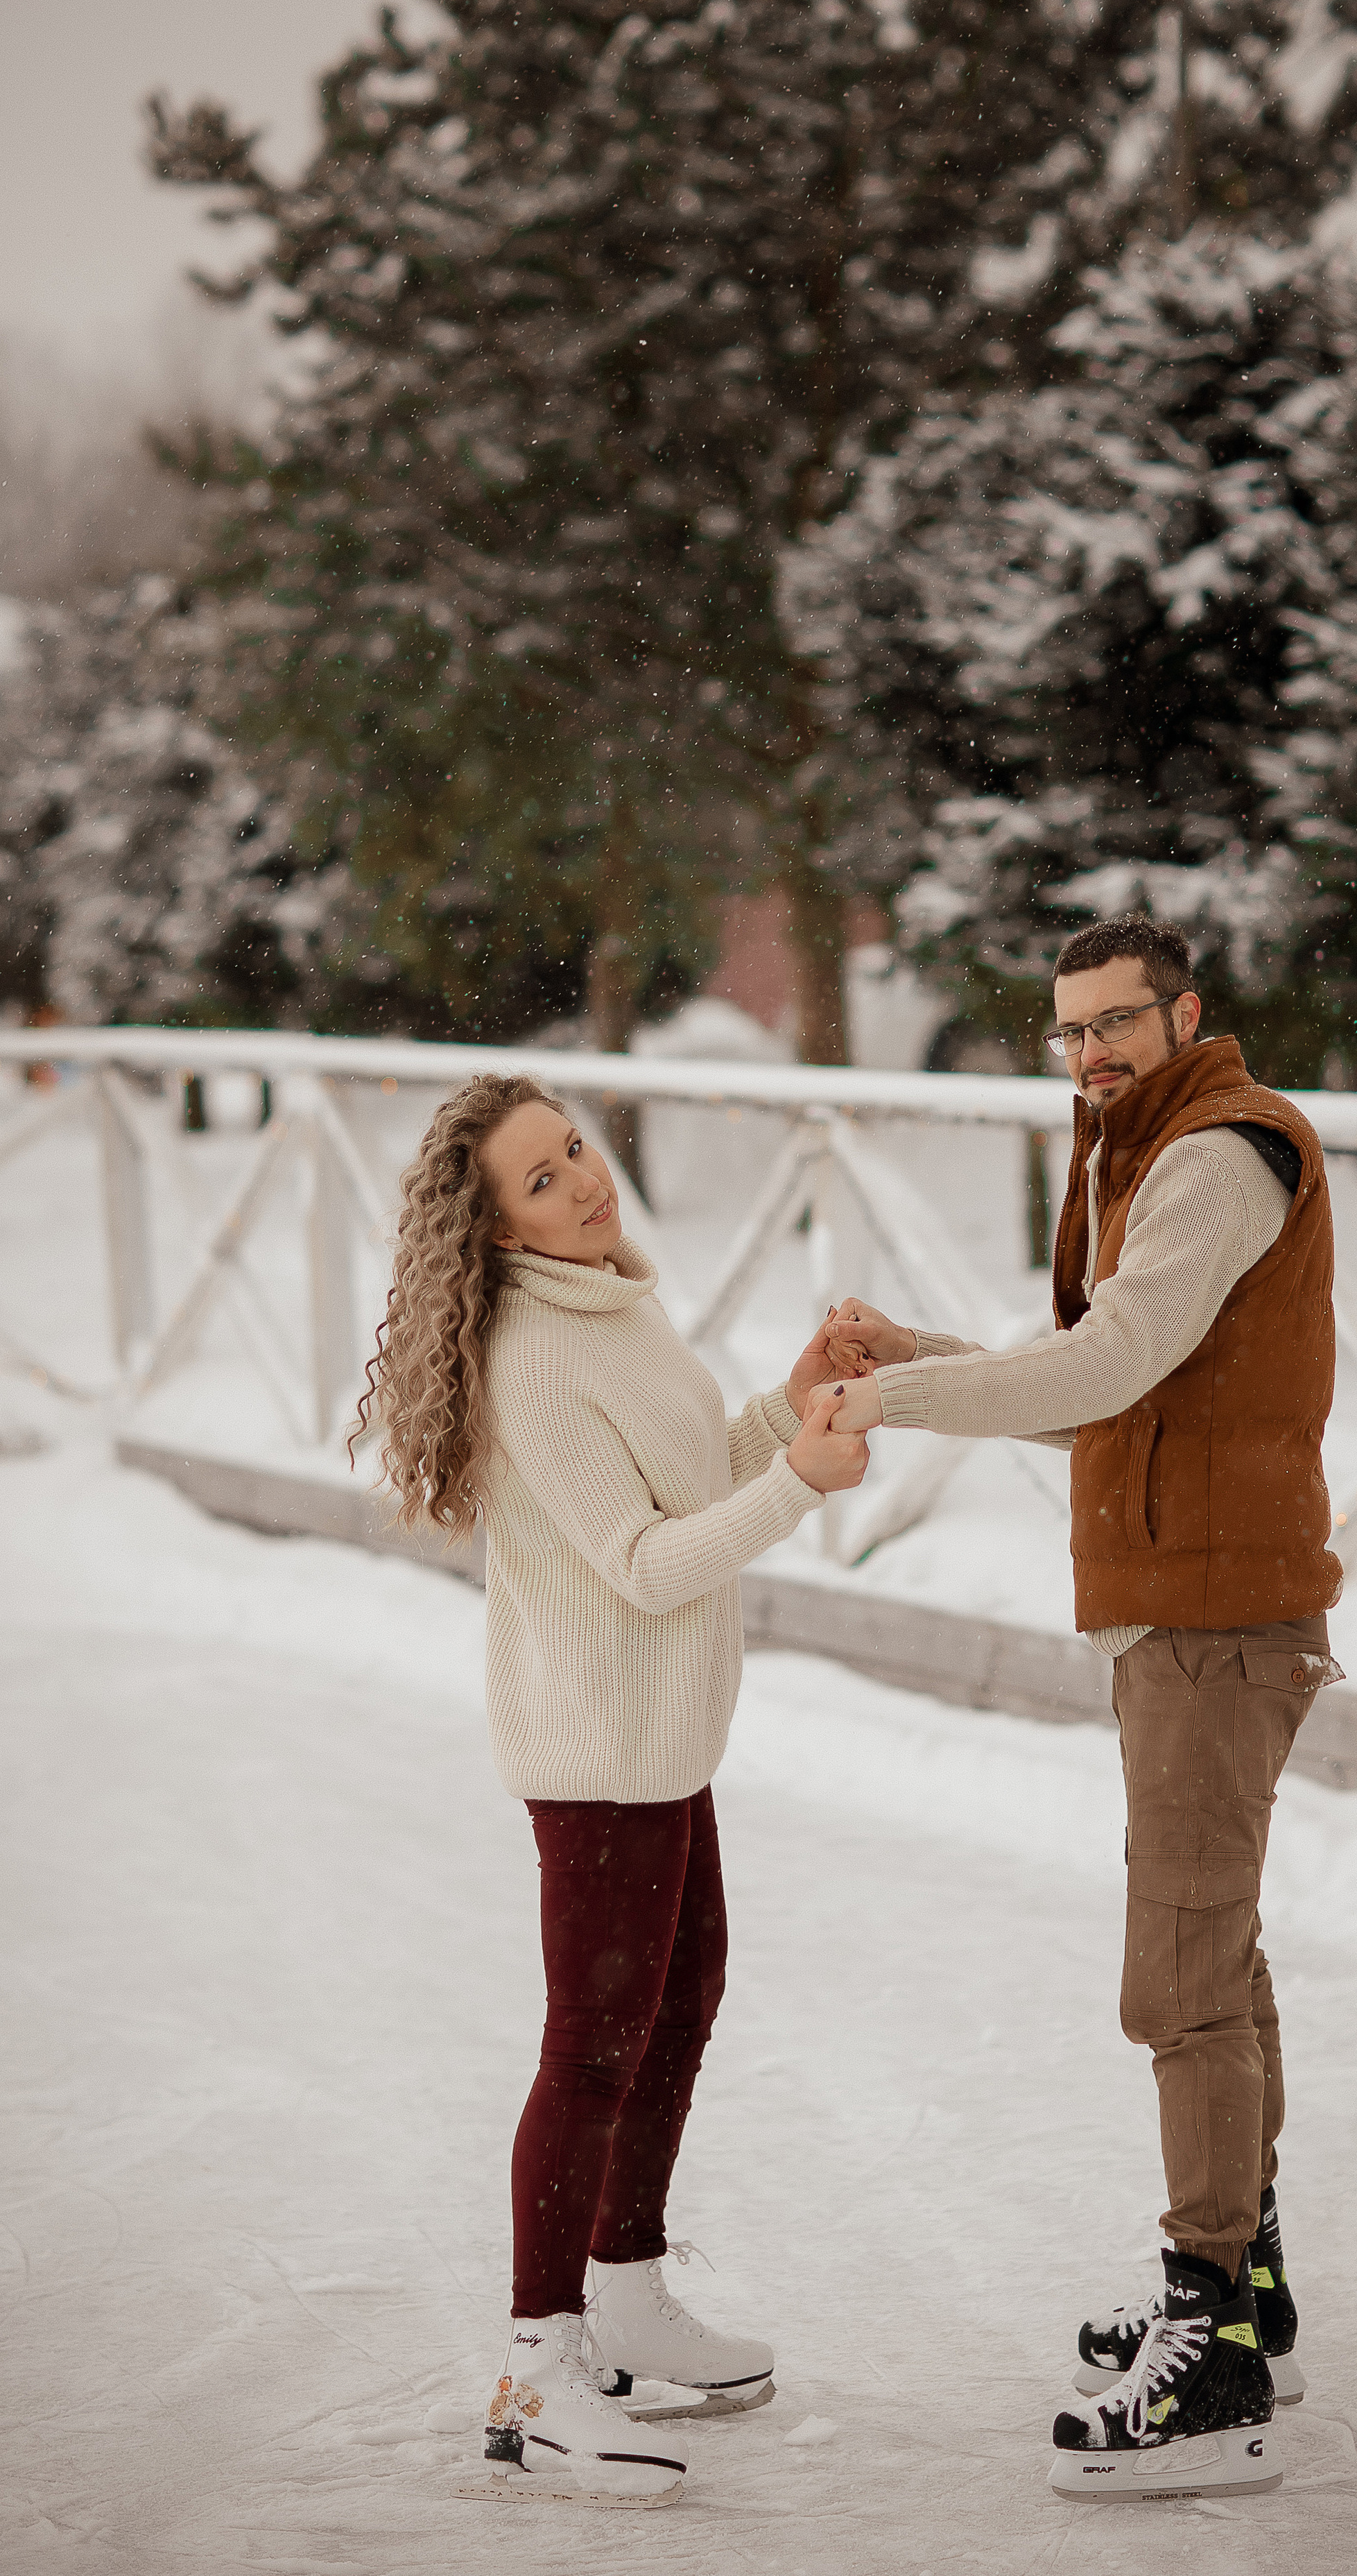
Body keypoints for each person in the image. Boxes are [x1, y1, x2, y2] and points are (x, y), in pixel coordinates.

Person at [823, 915, 1343, 2503]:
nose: (1092, 1052)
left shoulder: (1212, 1153)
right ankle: (1243, 2289)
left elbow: (1107, 1366)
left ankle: (1215, 2362)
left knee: (1175, 1977)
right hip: (1187, 1606)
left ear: (1187, 1013)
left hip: (1212, 1617)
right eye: (1069, 1032)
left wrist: (889, 1397)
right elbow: (1115, 1393)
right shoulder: (1144, 1144)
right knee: (1214, 1951)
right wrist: (924, 1354)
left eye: (1118, 1022)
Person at [356, 1073, 869, 2509]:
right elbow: (644, 1561)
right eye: (539, 1180)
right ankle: (536, 2366)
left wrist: (790, 1398)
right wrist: (805, 1487)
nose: (582, 1181)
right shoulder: (532, 1354)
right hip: (595, 1749)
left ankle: (625, 2289)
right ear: (494, 1234)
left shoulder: (611, 1297)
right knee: (592, 2040)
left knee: (682, 1995)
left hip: (663, 1736)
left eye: (572, 1147)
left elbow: (692, 1472)